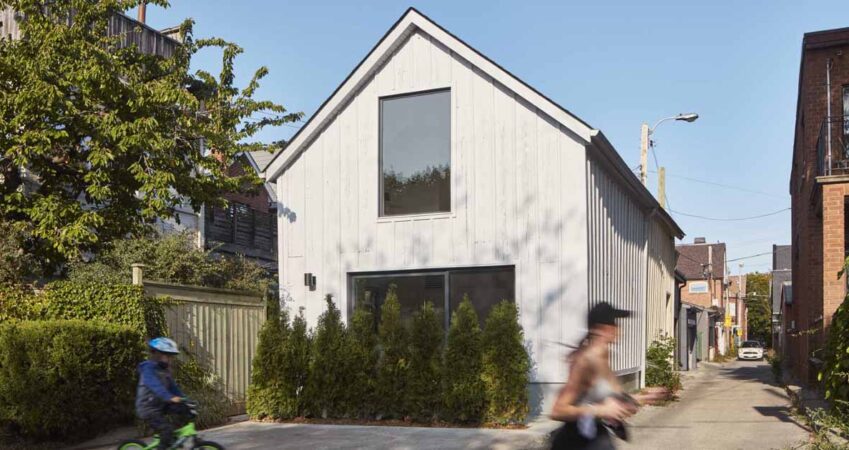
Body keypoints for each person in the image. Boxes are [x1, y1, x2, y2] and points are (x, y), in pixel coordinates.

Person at [549, 302, 640, 450]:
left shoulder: (603, 358)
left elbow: (607, 397)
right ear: (603, 329)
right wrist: (601, 410)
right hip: (576, 441)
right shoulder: (585, 361)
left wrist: (638, 400)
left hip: (595, 436)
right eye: (615, 324)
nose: (619, 329)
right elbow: (558, 410)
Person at [136, 337, 188, 450]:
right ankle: (166, 439)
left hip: (160, 405)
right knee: (166, 429)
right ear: (157, 354)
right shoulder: (148, 369)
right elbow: (154, 385)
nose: (169, 360)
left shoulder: (165, 371)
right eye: (167, 356)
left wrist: (185, 399)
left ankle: (171, 438)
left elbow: (174, 388)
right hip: (147, 408)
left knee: (183, 409)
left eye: (170, 357)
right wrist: (169, 397)